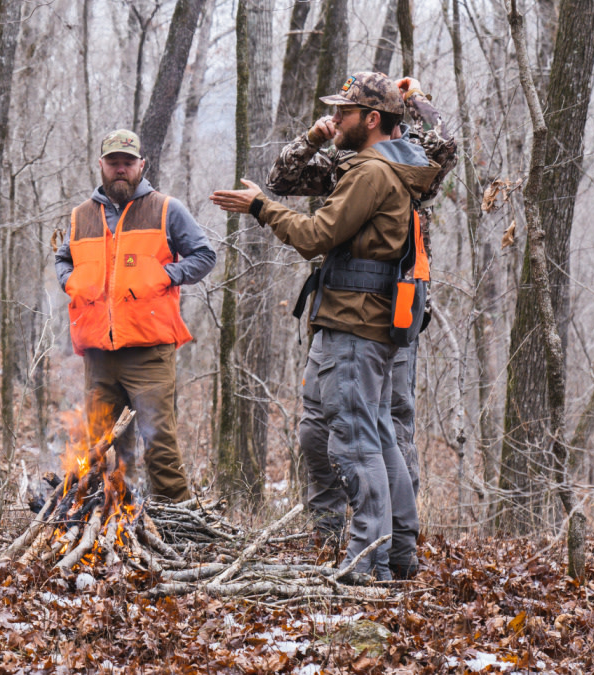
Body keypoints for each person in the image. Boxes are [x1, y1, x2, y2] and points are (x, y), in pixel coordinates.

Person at [210, 72, 440, 580]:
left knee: (356, 442)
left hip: (357, 327)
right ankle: (397, 555)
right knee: (378, 438)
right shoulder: (385, 168)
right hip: (363, 323)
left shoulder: (372, 173)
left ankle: (366, 561)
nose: (335, 119)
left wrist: (260, 207)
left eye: (346, 112)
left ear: (372, 120)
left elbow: (316, 235)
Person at [54, 129, 216, 503]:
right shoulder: (81, 216)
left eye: (128, 162)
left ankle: (176, 521)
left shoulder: (165, 209)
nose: (121, 170)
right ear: (101, 166)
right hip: (98, 354)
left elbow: (204, 256)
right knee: (100, 446)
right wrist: (70, 281)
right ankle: (107, 518)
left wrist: (166, 275)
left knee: (159, 443)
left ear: (142, 165)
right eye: (114, 163)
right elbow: (63, 258)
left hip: (149, 351)